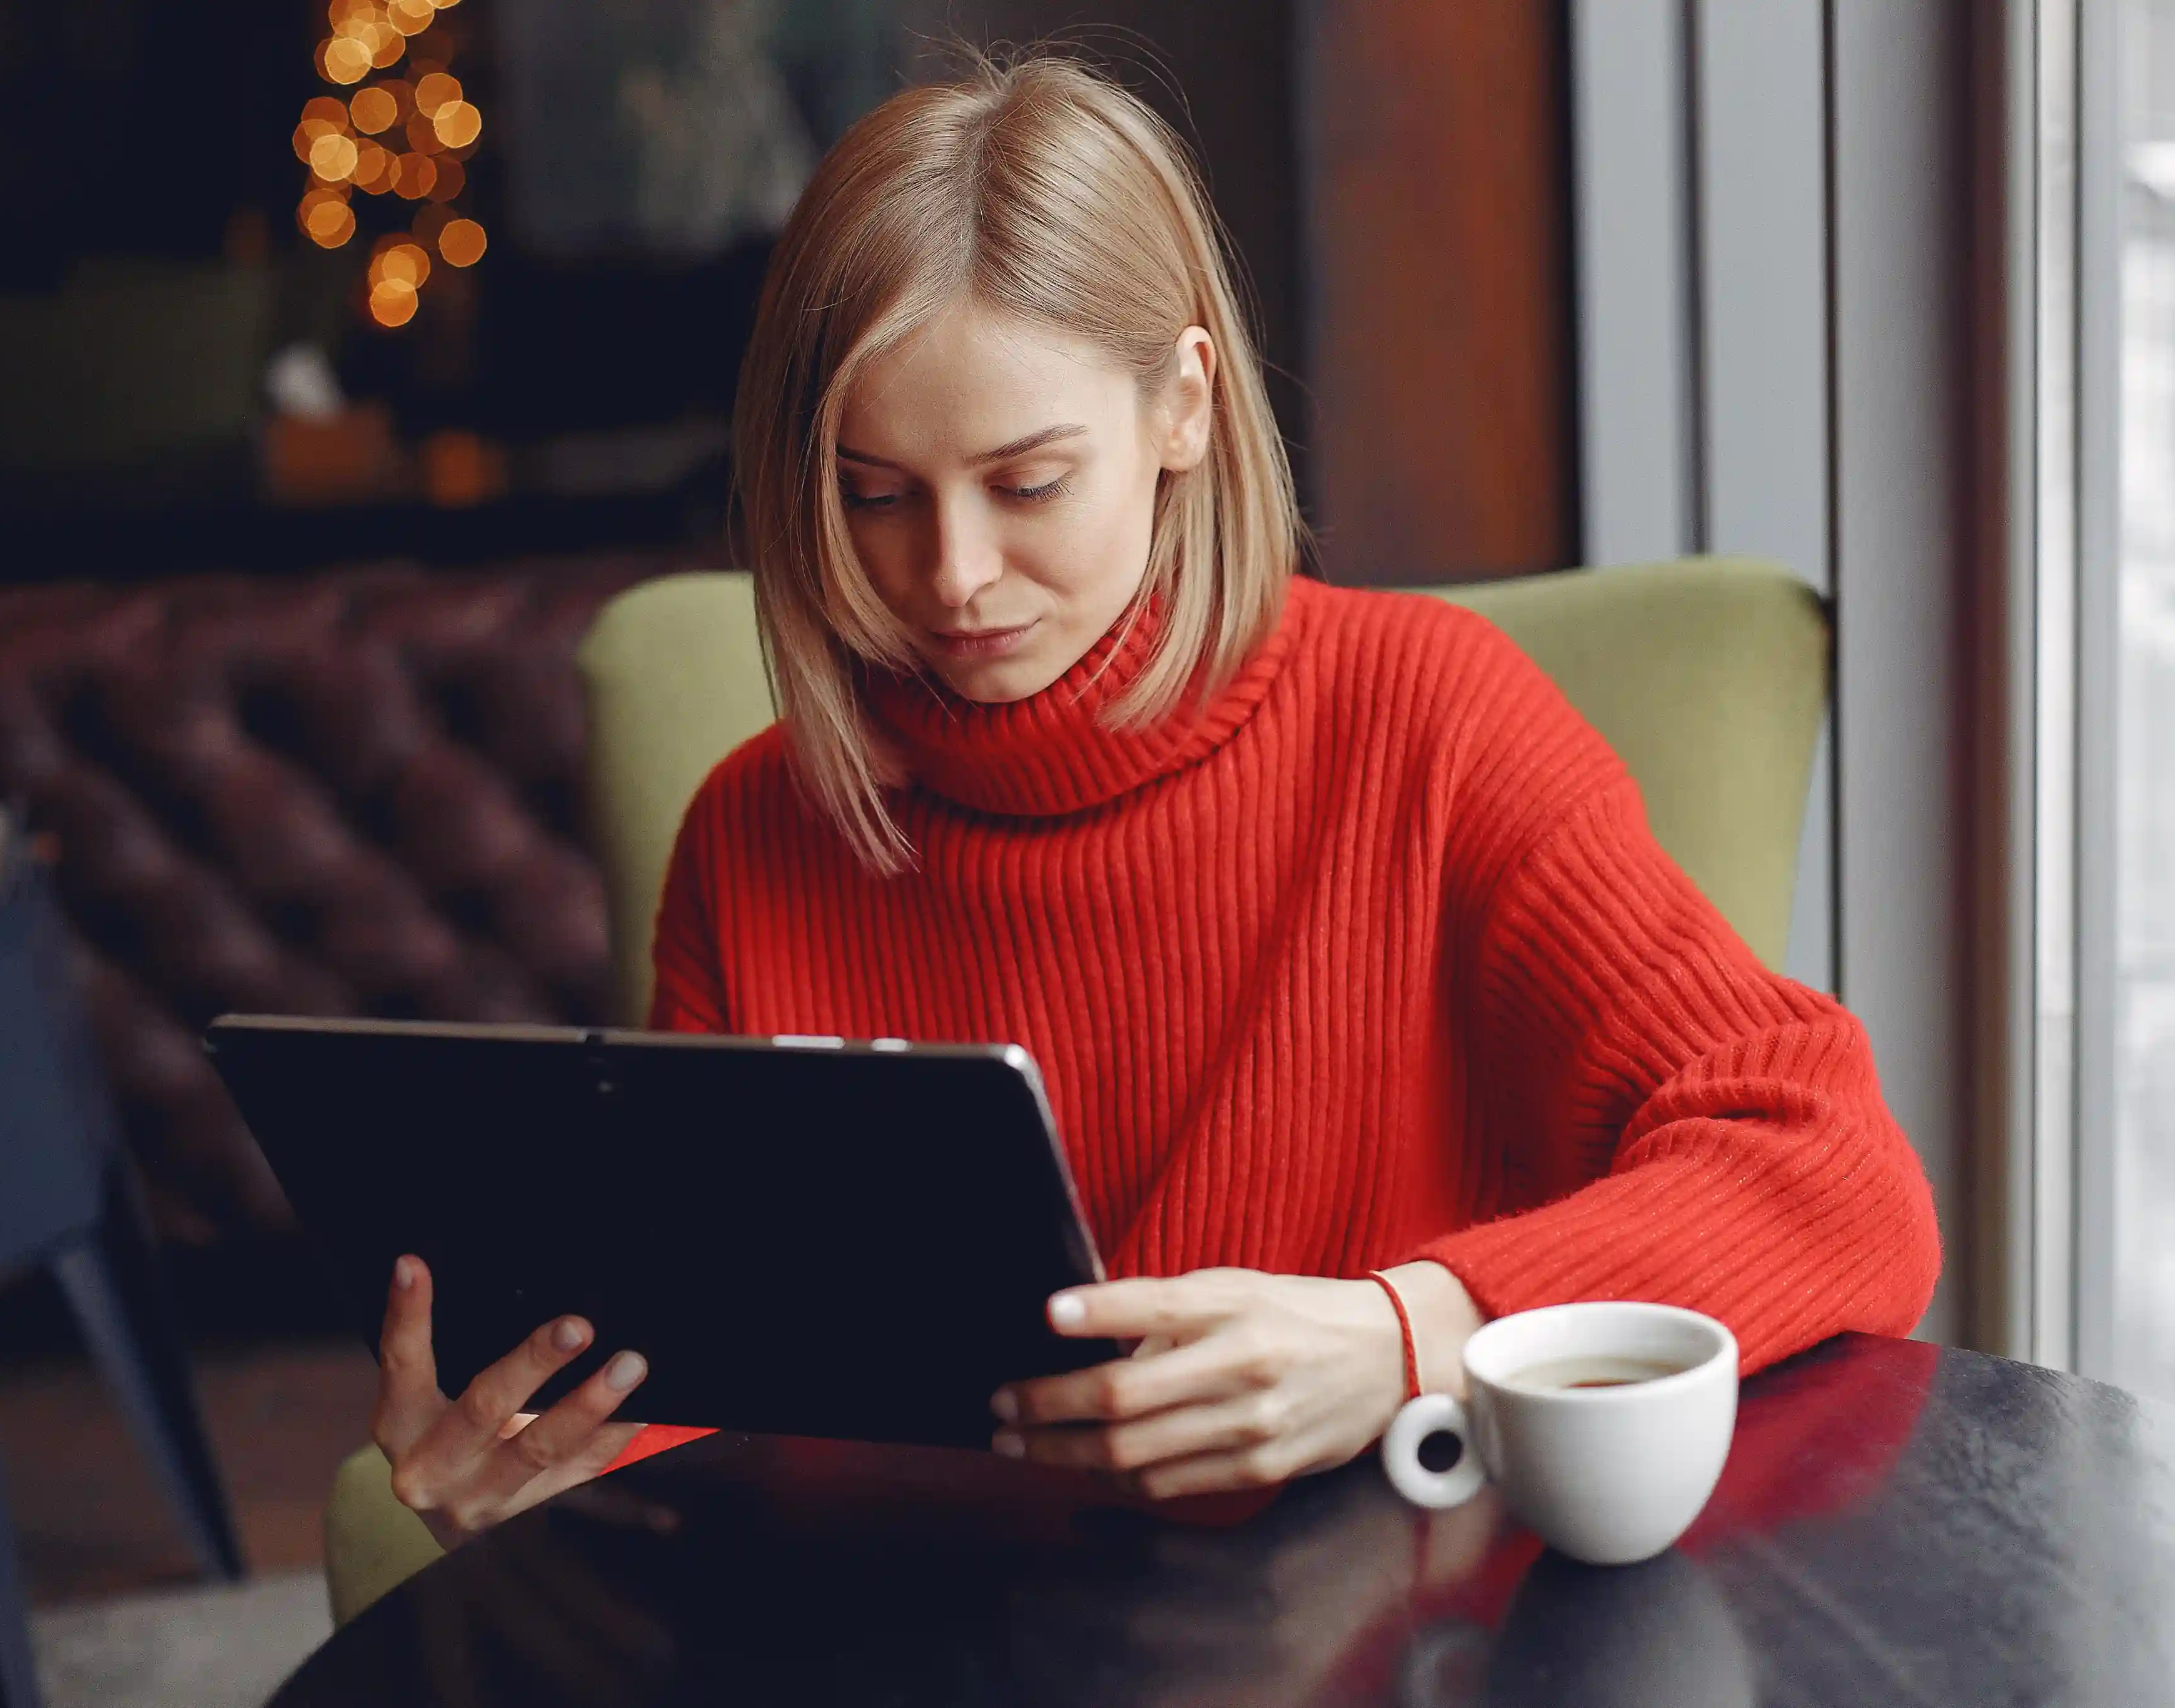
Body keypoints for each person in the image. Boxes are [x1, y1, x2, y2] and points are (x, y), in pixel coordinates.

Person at [372, 53, 1942, 1549]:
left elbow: (1839, 1179)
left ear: (1182, 404)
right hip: (909, 1647)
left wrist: (1409, 1335)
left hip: (1372, 1635)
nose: (952, 575)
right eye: (873, 495)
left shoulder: (1430, 726)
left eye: (1028, 481)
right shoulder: (759, 827)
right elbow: (725, 1362)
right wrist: (537, 1455)